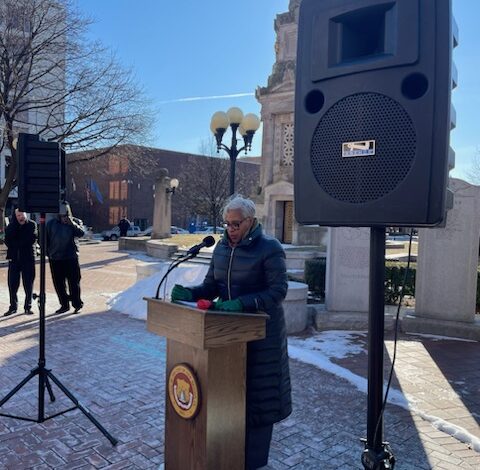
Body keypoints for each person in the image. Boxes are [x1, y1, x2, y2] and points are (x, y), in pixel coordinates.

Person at [171, 195, 292, 470]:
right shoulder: (222, 248)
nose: (230, 229)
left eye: (236, 224)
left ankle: (255, 463)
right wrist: (189, 293)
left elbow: (278, 291)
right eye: (227, 224)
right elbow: (211, 286)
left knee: (259, 402)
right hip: (227, 337)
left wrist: (242, 304)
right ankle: (227, 455)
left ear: (250, 221)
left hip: (263, 338)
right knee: (230, 398)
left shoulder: (270, 248)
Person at [46, 202, 85, 314]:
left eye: (66, 215)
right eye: (62, 215)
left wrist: (71, 224)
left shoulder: (75, 222)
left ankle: (77, 303)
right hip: (55, 258)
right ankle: (64, 304)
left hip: (71, 257)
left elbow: (81, 233)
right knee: (59, 284)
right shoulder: (51, 224)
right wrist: (49, 253)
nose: (64, 218)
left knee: (74, 282)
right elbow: (45, 240)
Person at [3, 209, 37, 316]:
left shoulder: (32, 225)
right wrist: (15, 239)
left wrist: (16, 243)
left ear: (25, 215)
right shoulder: (11, 226)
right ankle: (13, 306)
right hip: (14, 259)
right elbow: (7, 240)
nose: (20, 217)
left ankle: (28, 306)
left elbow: (30, 239)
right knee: (12, 284)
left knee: (28, 284)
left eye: (22, 215)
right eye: (18, 215)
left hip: (27, 259)